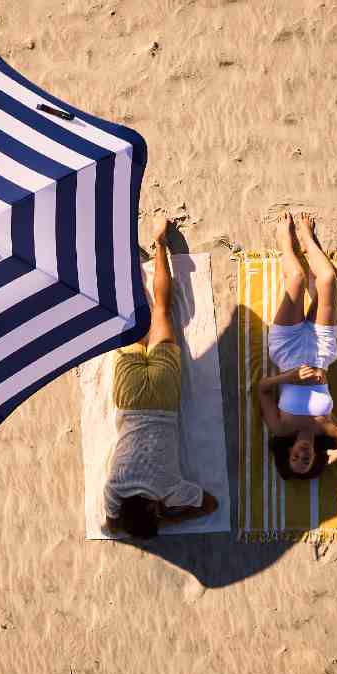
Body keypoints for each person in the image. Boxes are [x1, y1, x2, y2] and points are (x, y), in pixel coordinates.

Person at [103, 217, 219, 539]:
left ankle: (159, 244)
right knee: (137, 317)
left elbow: (210, 505)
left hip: (165, 399)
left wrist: (169, 518)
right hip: (131, 400)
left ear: (154, 509)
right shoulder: (114, 490)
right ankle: (142, 247)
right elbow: (113, 525)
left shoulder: (170, 489)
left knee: (162, 312)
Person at [257, 211, 337, 480]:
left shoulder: (281, 428)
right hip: (321, 350)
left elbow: (262, 390)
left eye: (295, 458)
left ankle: (284, 240)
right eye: (306, 460)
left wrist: (288, 377)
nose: (302, 455)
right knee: (326, 280)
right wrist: (336, 454)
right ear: (315, 456)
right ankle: (308, 239)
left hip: (287, 350)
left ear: (289, 450)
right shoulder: (331, 429)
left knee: (297, 279)